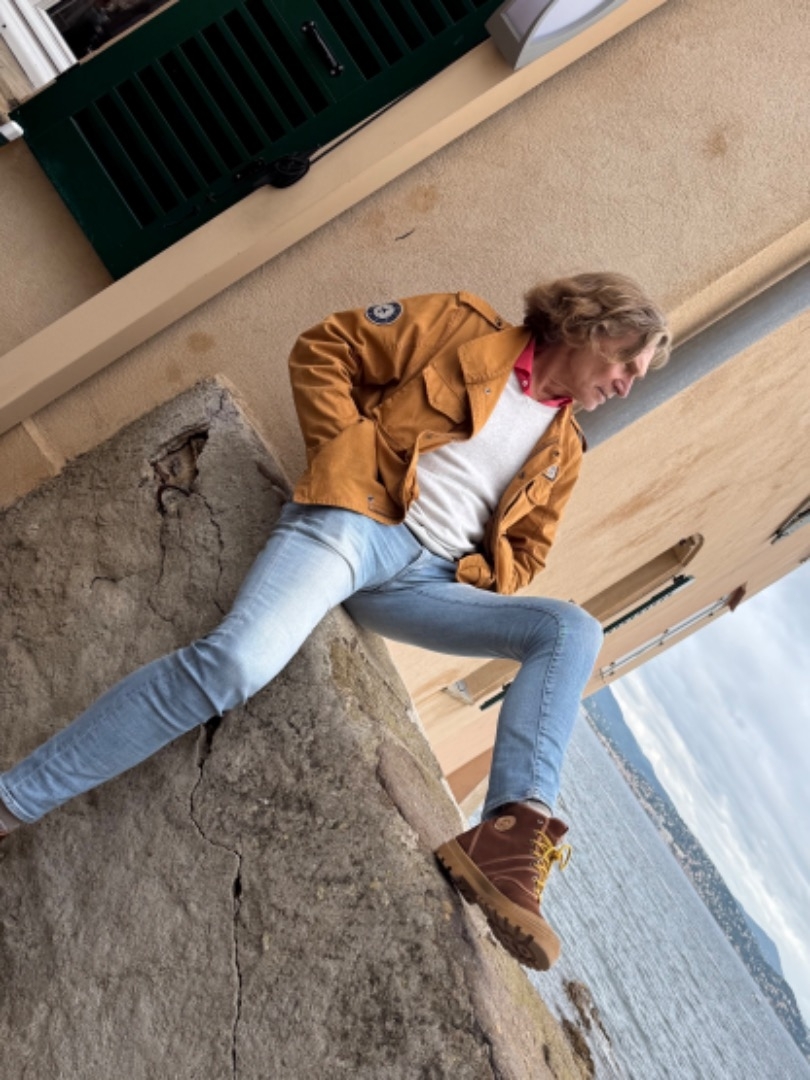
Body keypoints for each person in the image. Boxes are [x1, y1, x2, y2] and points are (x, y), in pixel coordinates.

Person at [0, 273, 670, 971]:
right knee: (234, 664)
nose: (627, 385)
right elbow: (326, 350)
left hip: (427, 583)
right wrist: (346, 465)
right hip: (354, 526)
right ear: (588, 325)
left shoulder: (564, 450)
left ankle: (510, 833)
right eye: (627, 363)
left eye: (638, 376)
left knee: (571, 630)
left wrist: (469, 575)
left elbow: (526, 554)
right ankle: (11, 804)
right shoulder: (462, 328)